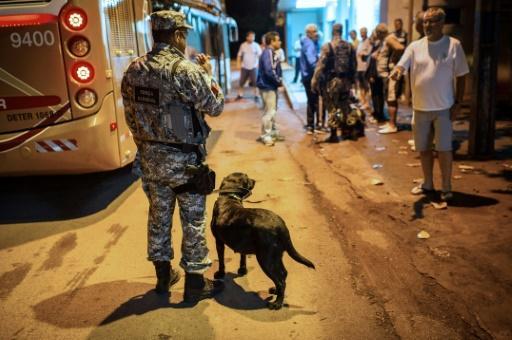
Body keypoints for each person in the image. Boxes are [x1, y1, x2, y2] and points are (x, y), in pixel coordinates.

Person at [121, 10, 225, 302]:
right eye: (185, 35)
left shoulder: (134, 69)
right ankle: (195, 282)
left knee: (158, 217)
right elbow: (215, 106)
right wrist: (208, 74)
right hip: (184, 162)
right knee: (192, 219)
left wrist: (150, 143)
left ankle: (163, 277)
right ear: (178, 35)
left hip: (151, 161)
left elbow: (130, 116)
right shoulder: (185, 70)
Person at [390, 7, 469, 201]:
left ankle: (447, 187)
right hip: (420, 109)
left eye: (432, 21)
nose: (427, 25)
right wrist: (397, 72)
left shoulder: (453, 45)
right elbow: (402, 64)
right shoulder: (415, 46)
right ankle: (427, 184)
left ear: (442, 23)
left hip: (443, 109)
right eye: (425, 21)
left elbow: (462, 75)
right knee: (424, 149)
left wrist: (458, 103)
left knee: (443, 150)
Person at [312, 23, 356, 143]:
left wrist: (314, 80)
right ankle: (349, 132)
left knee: (332, 107)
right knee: (345, 106)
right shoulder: (350, 46)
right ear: (342, 31)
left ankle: (334, 135)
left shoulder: (328, 46)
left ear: (333, 31)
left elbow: (321, 65)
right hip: (345, 81)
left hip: (332, 82)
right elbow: (353, 65)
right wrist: (353, 83)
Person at [373, 23, 404, 134]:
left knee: (391, 99)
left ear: (380, 33)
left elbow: (400, 48)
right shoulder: (386, 39)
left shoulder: (389, 38)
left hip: (391, 74)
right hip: (387, 74)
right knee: (389, 98)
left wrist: (393, 59)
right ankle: (391, 122)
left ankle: (392, 125)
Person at [256, 31, 283, 146]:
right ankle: (266, 136)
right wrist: (279, 81)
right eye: (278, 40)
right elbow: (269, 71)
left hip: (269, 86)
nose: (280, 42)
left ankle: (272, 133)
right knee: (270, 112)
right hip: (268, 86)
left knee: (271, 111)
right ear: (272, 41)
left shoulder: (270, 52)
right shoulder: (269, 53)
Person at [300, 23, 320, 134]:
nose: (316, 33)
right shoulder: (309, 44)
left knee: (311, 101)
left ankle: (311, 125)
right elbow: (311, 61)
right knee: (314, 101)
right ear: (309, 33)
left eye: (316, 31)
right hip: (310, 76)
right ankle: (313, 125)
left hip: (306, 76)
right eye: (314, 31)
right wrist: (319, 67)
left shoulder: (308, 42)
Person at [236, 31, 262, 101]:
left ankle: (256, 95)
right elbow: (239, 55)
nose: (252, 38)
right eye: (251, 36)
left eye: (253, 36)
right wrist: (238, 64)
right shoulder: (243, 45)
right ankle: (240, 95)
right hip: (244, 67)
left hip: (254, 67)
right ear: (247, 37)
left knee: (255, 82)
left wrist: (259, 65)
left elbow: (260, 56)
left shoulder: (256, 45)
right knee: (241, 82)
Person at [356, 27, 372, 109]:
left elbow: (369, 52)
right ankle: (362, 101)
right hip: (359, 66)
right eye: (361, 32)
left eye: (363, 32)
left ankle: (367, 102)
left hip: (365, 67)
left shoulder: (368, 41)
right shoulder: (360, 42)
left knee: (366, 86)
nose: (362, 34)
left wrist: (363, 53)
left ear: (366, 32)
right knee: (361, 86)